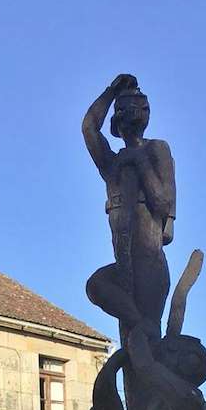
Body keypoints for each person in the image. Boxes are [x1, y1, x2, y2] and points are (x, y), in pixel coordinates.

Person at [82, 74, 176, 339]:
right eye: (122, 111)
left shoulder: (157, 149)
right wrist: (111, 91)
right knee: (97, 286)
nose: (128, 115)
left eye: (134, 108)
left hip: (149, 261)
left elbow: (162, 202)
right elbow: (89, 127)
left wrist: (139, 161)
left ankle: (144, 331)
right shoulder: (112, 165)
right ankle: (140, 326)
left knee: (144, 342)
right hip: (124, 261)